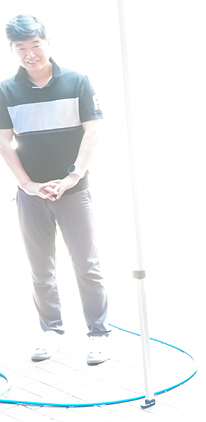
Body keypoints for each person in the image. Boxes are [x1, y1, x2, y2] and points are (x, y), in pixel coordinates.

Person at [0, 14, 110, 365]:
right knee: (40, 268)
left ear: (48, 43)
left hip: (74, 191)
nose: (30, 54)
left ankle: (98, 333)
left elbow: (93, 131)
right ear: (12, 50)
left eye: (35, 45)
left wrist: (73, 177)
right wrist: (26, 184)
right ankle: (52, 330)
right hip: (32, 196)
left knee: (87, 264)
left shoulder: (77, 82)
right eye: (21, 48)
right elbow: (4, 142)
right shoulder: (5, 90)